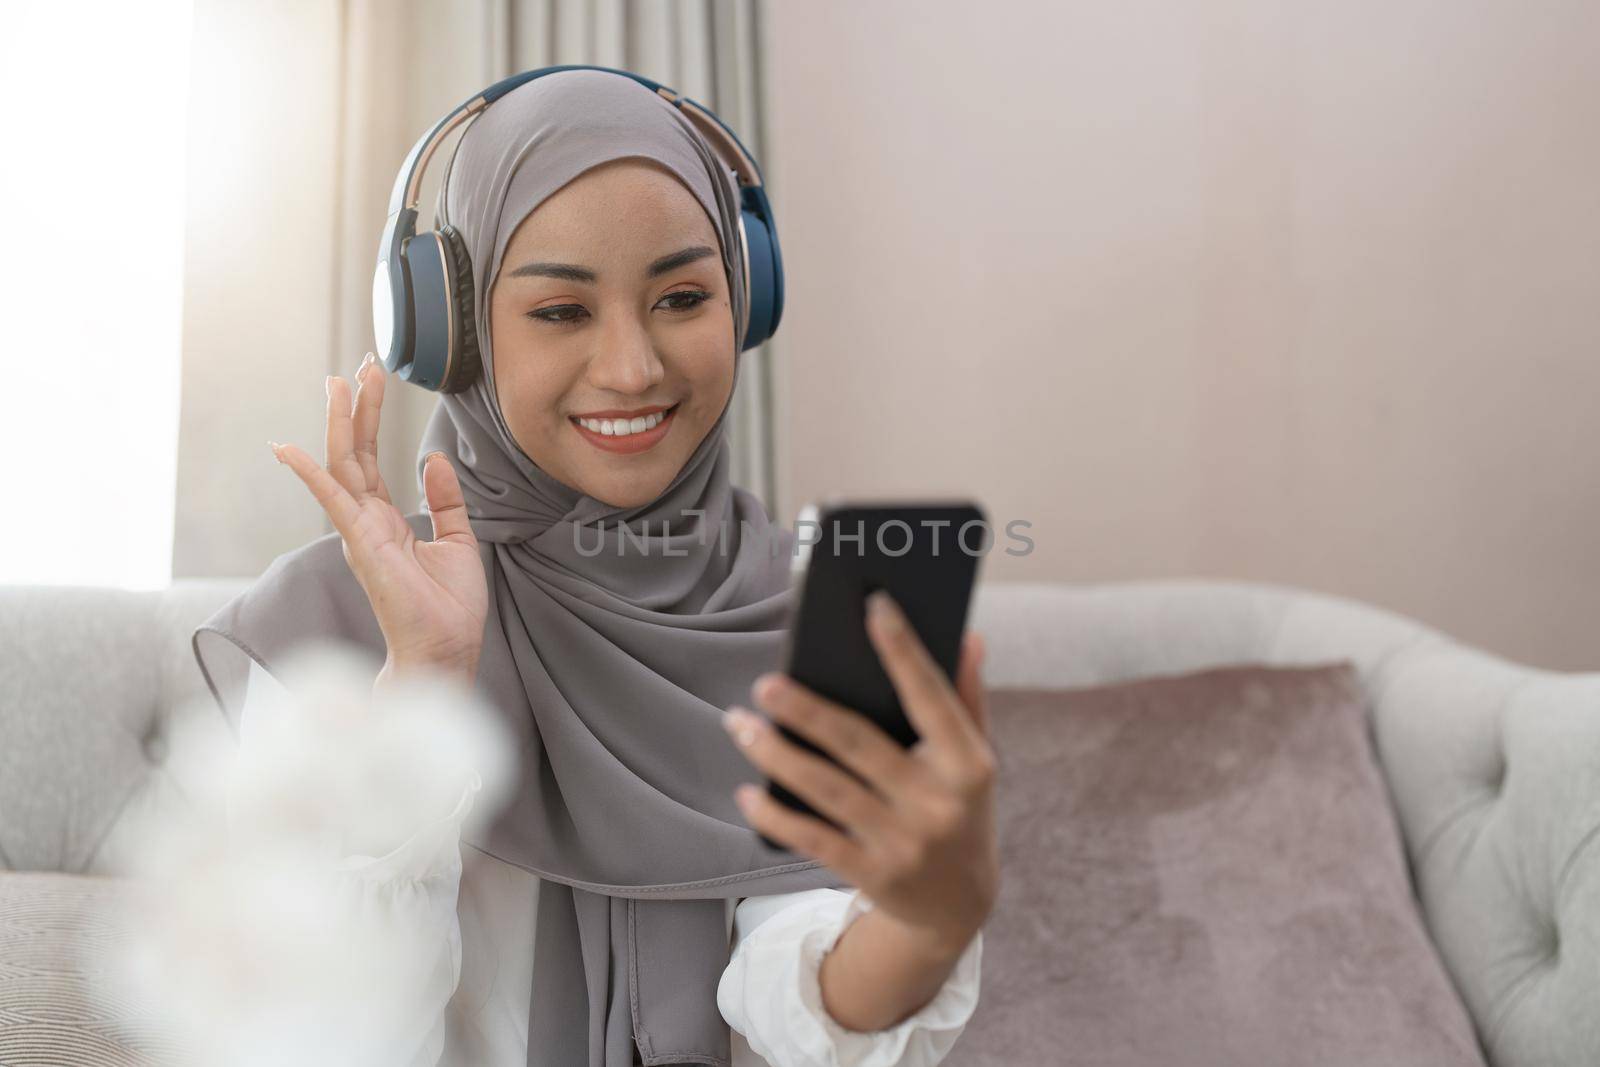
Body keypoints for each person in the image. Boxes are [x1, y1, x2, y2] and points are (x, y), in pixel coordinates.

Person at [193, 68, 999, 1067]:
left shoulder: (791, 617)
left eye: (682, 296)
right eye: (561, 312)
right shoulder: (328, 628)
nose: (631, 367)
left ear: (745, 301)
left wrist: (926, 921)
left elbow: (804, 996)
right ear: (454, 333)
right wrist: (422, 694)